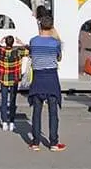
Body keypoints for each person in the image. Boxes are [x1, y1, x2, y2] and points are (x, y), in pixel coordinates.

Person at [27, 15, 65, 152]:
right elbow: (59, 58)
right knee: (53, 112)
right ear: (52, 27)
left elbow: (31, 55)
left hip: (38, 77)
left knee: (36, 111)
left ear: (40, 26)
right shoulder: (56, 43)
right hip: (51, 77)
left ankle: (35, 142)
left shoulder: (33, 41)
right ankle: (53, 142)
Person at [0, 35, 29, 130]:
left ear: (5, 42)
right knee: (13, 100)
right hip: (14, 78)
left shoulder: (1, 51)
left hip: (3, 78)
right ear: (13, 42)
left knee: (4, 100)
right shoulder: (18, 51)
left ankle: (4, 122)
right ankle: (12, 122)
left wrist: (0, 42)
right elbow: (29, 50)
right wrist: (22, 43)